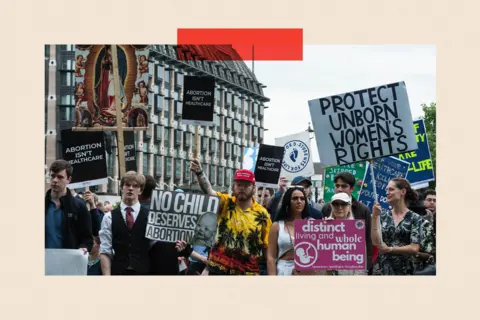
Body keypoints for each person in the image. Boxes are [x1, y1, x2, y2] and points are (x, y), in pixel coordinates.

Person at [190, 159, 272, 275]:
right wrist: (199, 173)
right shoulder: (225, 203)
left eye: (246, 185)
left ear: (254, 187)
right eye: (239, 184)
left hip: (248, 274)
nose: (242, 188)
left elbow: (267, 247)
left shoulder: (263, 214)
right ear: (234, 186)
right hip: (218, 271)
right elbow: (209, 191)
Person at [99, 171, 151, 275]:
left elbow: (155, 245)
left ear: (140, 190)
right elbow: (105, 250)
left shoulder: (149, 216)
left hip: (144, 273)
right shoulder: (109, 217)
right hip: (118, 272)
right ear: (122, 187)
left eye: (135, 186)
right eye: (127, 185)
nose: (131, 188)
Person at [321, 172, 373, 273]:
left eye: (344, 186)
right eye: (337, 186)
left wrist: (367, 264)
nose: (339, 189)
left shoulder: (362, 209)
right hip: (333, 261)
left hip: (355, 264)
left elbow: (367, 239)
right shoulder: (327, 208)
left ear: (352, 189)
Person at [371, 178, 422, 275]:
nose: (387, 192)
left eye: (391, 189)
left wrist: (390, 249)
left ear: (403, 192)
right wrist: (374, 217)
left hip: (404, 270)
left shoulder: (415, 218)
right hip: (381, 270)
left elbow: (414, 248)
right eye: (386, 190)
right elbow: (375, 242)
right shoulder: (382, 216)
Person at [45, 160, 93, 253]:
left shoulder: (79, 206)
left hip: (68, 262)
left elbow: (87, 239)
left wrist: (83, 248)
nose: (55, 180)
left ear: (69, 179)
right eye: (53, 176)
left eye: (60, 177)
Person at [267, 186, 309, 275]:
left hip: (304, 272)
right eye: (295, 198)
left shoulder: (312, 225)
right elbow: (270, 256)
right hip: (282, 270)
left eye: (302, 199)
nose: (299, 201)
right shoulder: (277, 226)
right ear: (288, 202)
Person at [324, 193, 367, 275]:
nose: (339, 207)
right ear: (331, 206)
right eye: (336, 204)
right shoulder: (323, 227)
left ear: (349, 207)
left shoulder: (356, 229)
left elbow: (361, 262)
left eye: (343, 204)